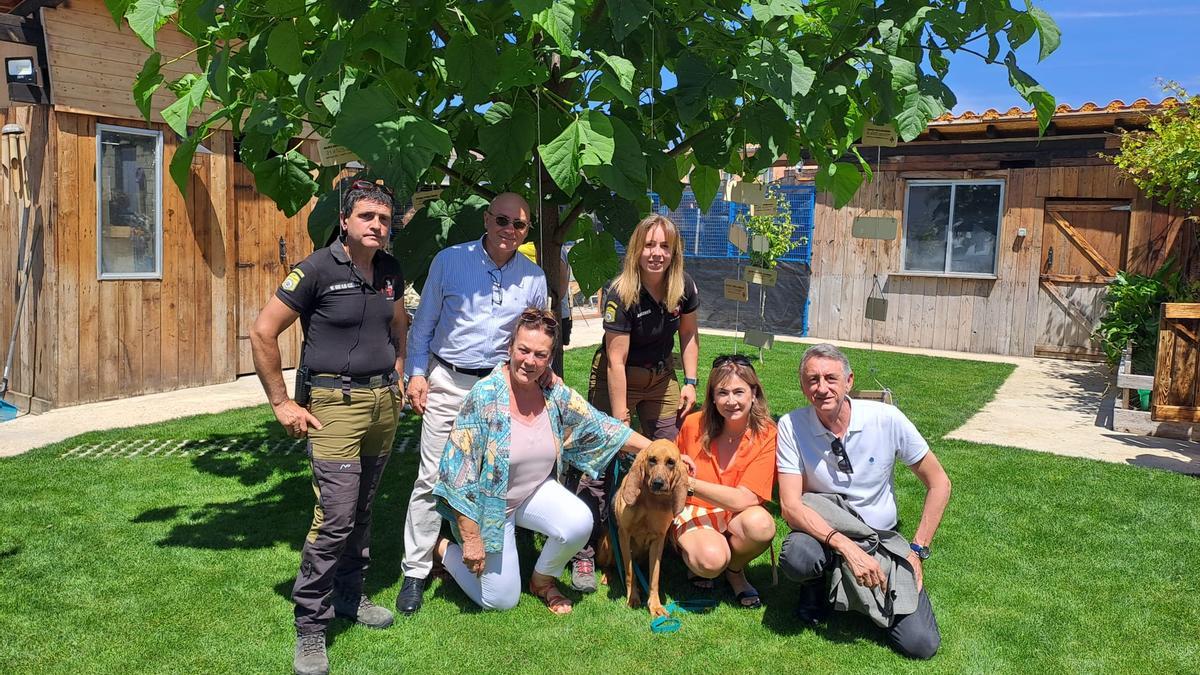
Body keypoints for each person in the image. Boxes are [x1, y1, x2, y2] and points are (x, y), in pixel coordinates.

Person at [249, 179, 407, 675]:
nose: (376, 226)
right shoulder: (315, 269)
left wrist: (399, 375)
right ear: (344, 220)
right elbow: (262, 330)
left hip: (383, 404)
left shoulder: (390, 270)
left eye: (383, 219)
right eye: (367, 217)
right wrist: (280, 403)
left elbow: (398, 325)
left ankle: (350, 597)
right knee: (335, 516)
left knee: (362, 509)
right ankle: (311, 626)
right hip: (333, 404)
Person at [432, 307, 652, 614]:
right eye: (523, 350)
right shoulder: (484, 396)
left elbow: (600, 426)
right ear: (510, 349)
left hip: (533, 492)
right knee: (500, 600)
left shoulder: (552, 392)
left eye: (540, 354)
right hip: (490, 507)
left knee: (579, 521)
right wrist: (470, 539)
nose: (529, 361)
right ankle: (443, 549)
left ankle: (542, 580)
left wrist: (656, 450)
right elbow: (457, 475)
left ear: (549, 359)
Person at [398, 192, 548, 615]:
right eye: (502, 220)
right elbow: (423, 322)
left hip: (498, 390)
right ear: (486, 219)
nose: (508, 230)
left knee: (487, 477)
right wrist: (417, 374)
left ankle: (475, 553)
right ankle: (415, 569)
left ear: (526, 230)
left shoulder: (534, 278)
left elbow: (536, 342)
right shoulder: (449, 261)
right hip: (448, 380)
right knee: (431, 476)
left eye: (518, 225)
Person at [776, 344, 952, 660]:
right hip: (826, 533)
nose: (821, 387)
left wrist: (917, 550)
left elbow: (939, 483)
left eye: (831, 378)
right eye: (812, 380)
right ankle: (816, 584)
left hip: (880, 538)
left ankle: (857, 584)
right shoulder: (791, 425)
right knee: (798, 555)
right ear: (803, 387)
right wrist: (847, 548)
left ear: (849, 381)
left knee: (920, 644)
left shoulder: (886, 418)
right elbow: (790, 506)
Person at [564, 213, 700, 593]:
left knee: (667, 456)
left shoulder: (683, 286)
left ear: (674, 252)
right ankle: (587, 552)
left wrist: (690, 381)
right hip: (618, 377)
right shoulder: (620, 291)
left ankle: (665, 541)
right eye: (649, 245)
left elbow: (688, 335)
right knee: (600, 464)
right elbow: (615, 360)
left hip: (661, 377)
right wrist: (619, 418)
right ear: (637, 249)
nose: (656, 253)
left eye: (664, 246)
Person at [673, 354, 777, 609]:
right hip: (694, 509)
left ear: (754, 394)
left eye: (739, 392)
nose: (731, 401)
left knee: (762, 524)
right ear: (712, 396)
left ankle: (734, 570)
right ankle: (700, 558)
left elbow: (747, 499)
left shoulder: (767, 433)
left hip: (738, 512)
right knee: (710, 561)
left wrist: (691, 483)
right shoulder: (693, 424)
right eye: (722, 393)